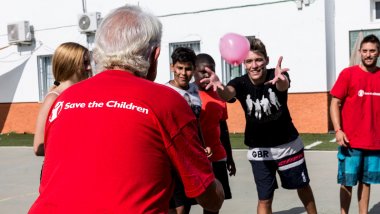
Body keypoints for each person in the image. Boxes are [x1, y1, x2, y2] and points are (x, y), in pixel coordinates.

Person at [28, 5, 224, 214]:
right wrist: (217, 187)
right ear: (154, 55)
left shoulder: (65, 99)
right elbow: (209, 197)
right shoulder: (166, 101)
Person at [201, 37, 317, 214]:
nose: (254, 65)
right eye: (249, 61)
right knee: (264, 199)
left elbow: (283, 85)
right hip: (259, 150)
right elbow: (228, 94)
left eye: (258, 60)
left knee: (302, 187)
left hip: (288, 146)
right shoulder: (239, 83)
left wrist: (281, 79)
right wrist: (219, 88)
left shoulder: (275, 75)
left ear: (266, 61)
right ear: (244, 64)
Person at [330, 34, 380, 214]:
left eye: (372, 51)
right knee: (347, 182)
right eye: (365, 51)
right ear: (359, 52)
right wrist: (338, 130)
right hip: (350, 142)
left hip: (374, 143)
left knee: (366, 181)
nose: (368, 54)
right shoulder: (348, 74)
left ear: (378, 53)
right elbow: (335, 102)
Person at [165, 47, 212, 214]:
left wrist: (202, 145)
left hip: (191, 159)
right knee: (176, 208)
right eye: (179, 68)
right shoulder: (165, 93)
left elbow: (196, 123)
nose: (183, 73)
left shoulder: (194, 91)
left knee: (187, 206)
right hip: (171, 161)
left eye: (188, 68)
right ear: (172, 67)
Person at [33, 42, 92, 156]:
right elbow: (38, 147)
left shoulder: (85, 95)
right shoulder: (53, 98)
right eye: (85, 63)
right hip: (63, 170)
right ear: (70, 64)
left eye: (89, 62)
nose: (89, 67)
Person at [194, 53, 236, 214]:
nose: (207, 75)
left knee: (214, 203)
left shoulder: (220, 94)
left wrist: (230, 158)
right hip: (194, 159)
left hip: (217, 157)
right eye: (202, 71)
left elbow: (223, 128)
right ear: (194, 72)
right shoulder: (189, 93)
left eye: (211, 71)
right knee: (184, 205)